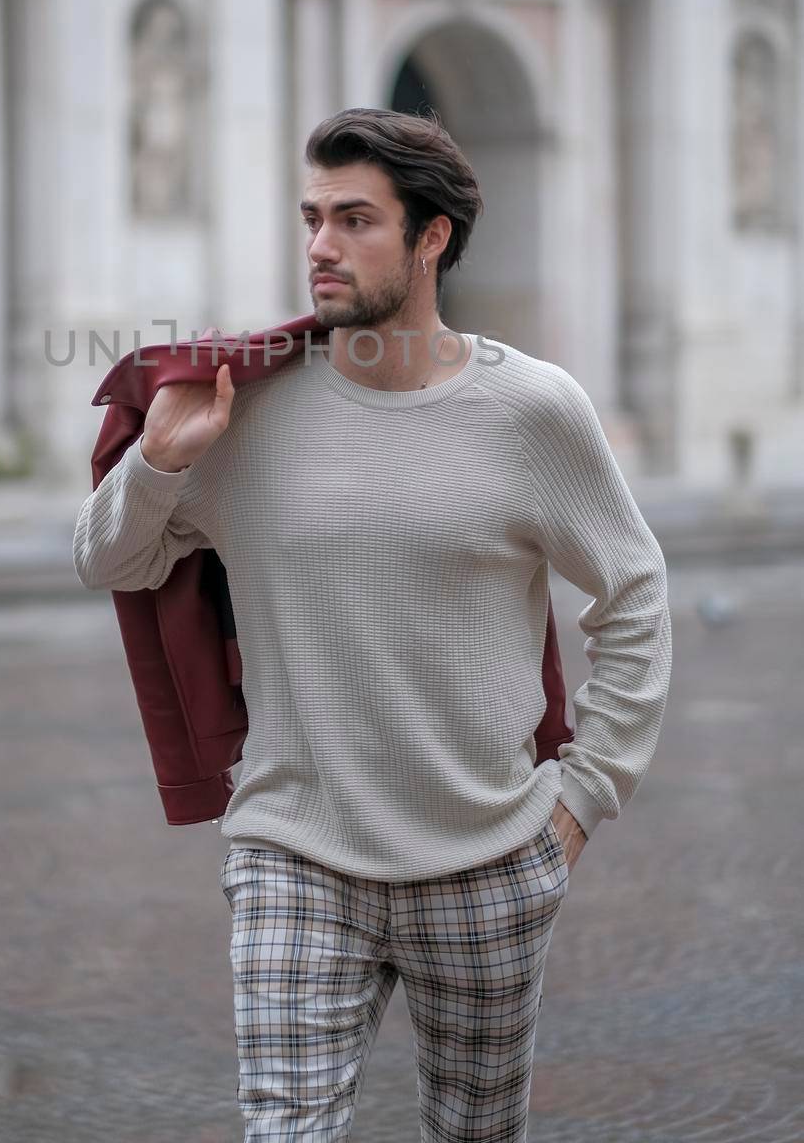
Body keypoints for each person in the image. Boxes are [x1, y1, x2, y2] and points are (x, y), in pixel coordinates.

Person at [73, 106, 672, 1141]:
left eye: (354, 219)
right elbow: (108, 560)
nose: (318, 245)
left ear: (429, 236)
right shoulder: (243, 409)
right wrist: (161, 461)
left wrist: (582, 797)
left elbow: (632, 591)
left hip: (487, 861)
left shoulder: (532, 409)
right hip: (292, 852)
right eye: (311, 217)